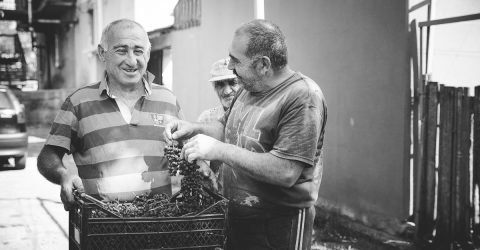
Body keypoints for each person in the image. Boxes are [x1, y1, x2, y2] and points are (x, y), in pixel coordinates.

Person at [164, 19, 327, 250]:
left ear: (262, 65)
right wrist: (193, 128)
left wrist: (218, 150)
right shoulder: (248, 88)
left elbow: (286, 171)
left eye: (235, 60)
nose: (229, 66)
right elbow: (226, 128)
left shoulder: (302, 97)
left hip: (279, 226)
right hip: (238, 218)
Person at [37, 19, 183, 211]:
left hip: (161, 224)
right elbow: (47, 157)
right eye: (121, 50)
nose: (131, 61)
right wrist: (64, 175)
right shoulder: (78, 103)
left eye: (138, 51)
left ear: (148, 53)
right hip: (101, 228)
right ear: (102, 53)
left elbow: (187, 152)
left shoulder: (168, 100)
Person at [196, 57, 240, 191]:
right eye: (220, 85)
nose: (227, 91)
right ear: (214, 88)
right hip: (217, 195)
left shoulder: (254, 116)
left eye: (233, 83)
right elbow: (196, 158)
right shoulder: (206, 118)